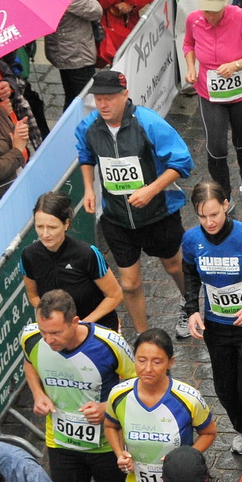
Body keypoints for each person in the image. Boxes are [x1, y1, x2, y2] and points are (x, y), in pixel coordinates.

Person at [21, 291, 137, 482]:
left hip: (104, 446)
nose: (49, 340)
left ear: (75, 322)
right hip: (61, 442)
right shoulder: (32, 338)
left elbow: (136, 385)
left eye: (56, 332)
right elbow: (29, 363)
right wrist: (37, 394)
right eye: (44, 331)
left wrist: (105, 407)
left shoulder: (109, 344)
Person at [76, 69, 195, 336]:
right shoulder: (89, 127)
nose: (102, 105)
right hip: (117, 218)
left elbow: (183, 162)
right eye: (98, 99)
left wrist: (151, 190)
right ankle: (144, 337)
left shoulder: (147, 122)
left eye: (109, 98)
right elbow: (85, 155)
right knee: (129, 284)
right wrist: (88, 189)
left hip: (158, 214)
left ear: (124, 95)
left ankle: (191, 305)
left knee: (175, 265)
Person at [182, 180, 242, 457]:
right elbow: (189, 273)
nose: (209, 222)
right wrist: (192, 310)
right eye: (202, 216)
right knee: (225, 390)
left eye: (214, 214)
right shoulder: (191, 240)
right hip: (218, 326)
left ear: (226, 205)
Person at [184, 0, 242, 206]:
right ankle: (224, 195)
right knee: (216, 146)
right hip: (210, 94)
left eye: (214, 11)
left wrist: (236, 65)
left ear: (224, 5)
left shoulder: (240, 17)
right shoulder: (194, 20)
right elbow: (188, 45)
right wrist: (191, 68)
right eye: (206, 11)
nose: (209, 16)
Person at [105, 331, 218, 482]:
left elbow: (208, 433)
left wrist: (184, 457)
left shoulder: (188, 398)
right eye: (141, 360)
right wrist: (119, 453)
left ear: (170, 362)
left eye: (157, 362)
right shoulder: (118, 394)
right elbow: (110, 426)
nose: (148, 369)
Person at [22, 192, 122, 331]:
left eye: (52, 227)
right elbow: (33, 296)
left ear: (66, 224)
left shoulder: (87, 254)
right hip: (60, 333)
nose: (45, 234)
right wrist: (55, 323)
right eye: (39, 227)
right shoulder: (29, 255)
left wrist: (80, 325)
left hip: (96, 329)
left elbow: (115, 295)